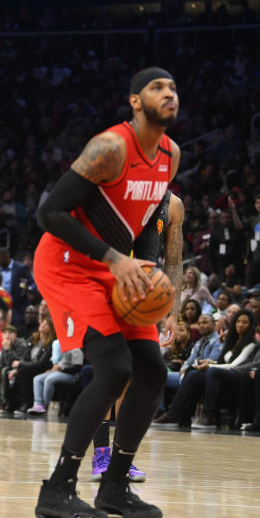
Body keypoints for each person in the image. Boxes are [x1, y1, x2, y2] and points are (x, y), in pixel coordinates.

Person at [32, 67, 180, 518]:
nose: (169, 94)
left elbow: (147, 221)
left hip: (117, 266)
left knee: (152, 370)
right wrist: (115, 259)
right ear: (135, 101)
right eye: (158, 88)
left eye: (173, 88)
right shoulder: (110, 147)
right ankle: (57, 489)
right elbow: (50, 211)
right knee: (115, 368)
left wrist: (149, 270)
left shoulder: (171, 155)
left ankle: (115, 488)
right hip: (69, 263)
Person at [92, 191, 184, 483]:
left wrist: (173, 310)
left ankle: (120, 459)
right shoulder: (121, 191)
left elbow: (174, 261)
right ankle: (100, 455)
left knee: (132, 378)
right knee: (108, 373)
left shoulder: (173, 205)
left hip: (143, 296)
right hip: (106, 289)